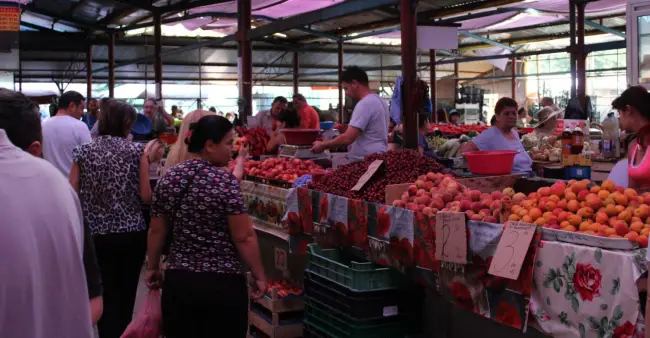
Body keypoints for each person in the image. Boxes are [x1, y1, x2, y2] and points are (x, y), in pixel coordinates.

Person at [145, 115, 266, 338]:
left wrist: (152, 267)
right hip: (222, 284)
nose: (232, 149)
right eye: (228, 143)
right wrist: (259, 275)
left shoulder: (169, 177)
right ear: (210, 146)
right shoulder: (225, 182)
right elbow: (243, 237)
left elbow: (157, 230)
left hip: (179, 282)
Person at [0, 88, 95, 338]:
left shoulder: (48, 125)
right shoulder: (79, 130)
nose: (84, 111)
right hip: (59, 198)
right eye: (82, 106)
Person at [70, 99, 163, 338]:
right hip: (131, 234)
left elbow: (71, 194)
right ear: (125, 123)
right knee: (126, 295)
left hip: (95, 235)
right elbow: (145, 196)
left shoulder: (83, 151)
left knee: (103, 294)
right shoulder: (136, 152)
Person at [311, 66, 389, 162]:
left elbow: (348, 138)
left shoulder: (365, 104)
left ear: (355, 83)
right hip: (378, 157)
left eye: (346, 88)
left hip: (366, 162)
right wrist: (348, 128)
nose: (346, 93)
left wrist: (323, 145)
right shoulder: (380, 101)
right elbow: (371, 131)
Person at [461, 97, 532, 173]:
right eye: (506, 113)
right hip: (512, 180)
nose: (511, 116)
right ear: (497, 116)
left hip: (528, 175)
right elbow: (466, 150)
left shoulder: (514, 132)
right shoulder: (491, 133)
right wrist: (488, 167)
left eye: (514, 113)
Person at [42, 91, 91, 177]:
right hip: (71, 185)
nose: (82, 113)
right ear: (72, 106)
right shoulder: (80, 126)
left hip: (49, 182)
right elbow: (88, 158)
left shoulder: (43, 125)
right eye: (81, 108)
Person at [612, 86, 650, 189]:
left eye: (619, 113)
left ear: (628, 110)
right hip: (638, 205)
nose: (619, 119)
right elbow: (631, 193)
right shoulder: (633, 146)